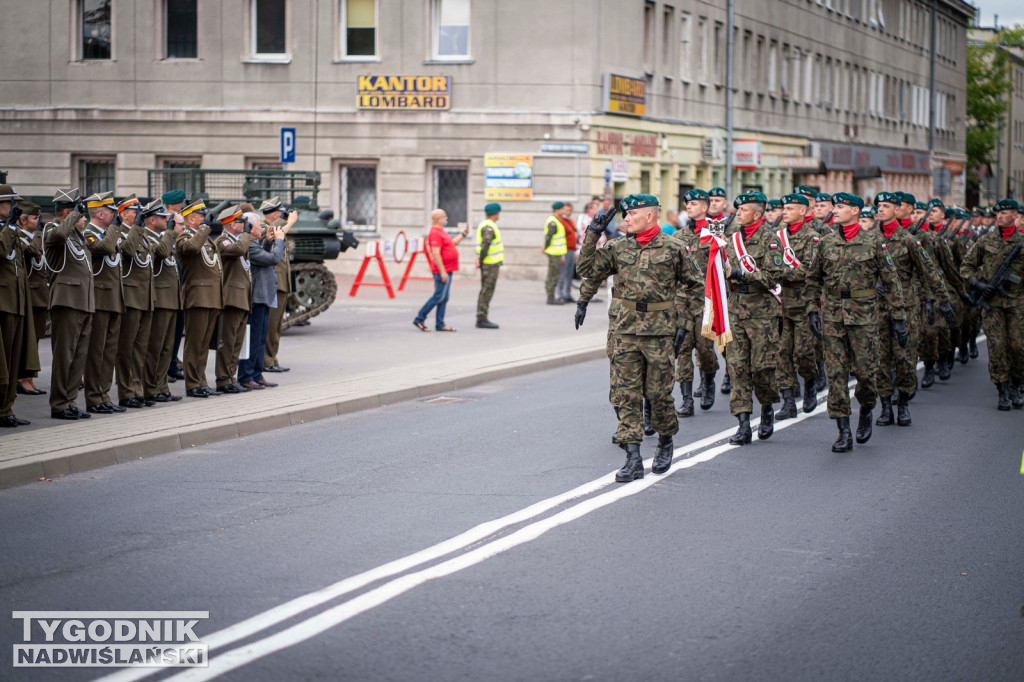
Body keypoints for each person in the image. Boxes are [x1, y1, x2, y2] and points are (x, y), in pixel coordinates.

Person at [577, 194, 697, 481]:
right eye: (625, 214)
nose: (626, 219)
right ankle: (632, 457)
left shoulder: (674, 247)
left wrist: (684, 321)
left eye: (631, 214)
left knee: (657, 395)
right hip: (625, 329)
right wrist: (593, 233)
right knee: (625, 394)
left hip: (659, 331)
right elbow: (586, 270)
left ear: (650, 216)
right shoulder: (618, 247)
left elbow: (694, 285)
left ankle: (666, 440)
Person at [805, 193, 906, 452]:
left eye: (840, 207)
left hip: (864, 317)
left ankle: (866, 410)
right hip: (833, 317)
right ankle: (843, 431)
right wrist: (813, 311)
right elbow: (813, 280)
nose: (835, 210)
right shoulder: (826, 243)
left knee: (865, 374)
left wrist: (898, 318)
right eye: (834, 206)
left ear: (856, 211)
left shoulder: (874, 243)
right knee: (836, 374)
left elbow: (892, 282)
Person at [872, 192, 950, 427]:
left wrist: (942, 299)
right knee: (880, 359)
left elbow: (929, 270)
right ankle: (885, 406)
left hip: (905, 307)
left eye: (887, 206)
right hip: (876, 308)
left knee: (905, 357)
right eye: (879, 206)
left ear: (897, 210)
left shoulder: (909, 240)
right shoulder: (869, 239)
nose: (881, 210)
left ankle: (903, 402)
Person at [719, 192, 785, 444]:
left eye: (743, 210)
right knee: (737, 367)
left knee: (762, 368)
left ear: (757, 214)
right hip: (736, 308)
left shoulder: (771, 240)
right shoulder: (731, 238)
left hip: (762, 311)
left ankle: (767, 407)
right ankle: (743, 423)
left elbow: (773, 277)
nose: (738, 213)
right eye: (737, 210)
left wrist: (740, 274)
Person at [960, 198, 1024, 410]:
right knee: (997, 347)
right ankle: (1003, 390)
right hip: (992, 305)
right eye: (998, 213)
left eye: (1005, 213)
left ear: (1015, 215)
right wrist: (978, 284)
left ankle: (1016, 384)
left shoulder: (1021, 242)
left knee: (1018, 347)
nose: (999, 216)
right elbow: (966, 267)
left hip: (1017, 303)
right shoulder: (986, 241)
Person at [82, 192, 137, 415]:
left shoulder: (111, 232)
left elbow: (127, 251)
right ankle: (94, 397)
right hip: (101, 299)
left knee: (109, 351)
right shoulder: (89, 233)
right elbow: (103, 249)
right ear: (101, 213)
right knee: (97, 351)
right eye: (113, 212)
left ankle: (104, 394)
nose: (116, 216)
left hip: (115, 298)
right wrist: (116, 229)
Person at [43, 190, 95, 420]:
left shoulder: (76, 235)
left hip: (84, 301)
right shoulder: (52, 229)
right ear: (67, 212)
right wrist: (73, 216)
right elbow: (57, 238)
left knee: (78, 356)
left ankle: (70, 400)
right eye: (80, 213)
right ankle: (59, 404)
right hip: (66, 301)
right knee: (64, 356)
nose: (84, 218)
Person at [774, 193, 823, 418]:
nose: (785, 212)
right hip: (781, 304)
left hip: (804, 304)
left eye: (790, 209)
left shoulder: (812, 238)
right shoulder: (777, 237)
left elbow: (808, 272)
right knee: (782, 354)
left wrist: (780, 273)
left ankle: (810, 384)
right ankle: (788, 401)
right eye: (784, 209)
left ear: (803, 211)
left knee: (804, 352)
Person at [673, 189, 721, 415]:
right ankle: (686, 399)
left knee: (704, 349)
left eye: (693, 203)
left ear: (705, 207)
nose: (689, 207)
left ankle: (709, 379)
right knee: (683, 348)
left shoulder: (715, 234)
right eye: (687, 204)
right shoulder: (679, 236)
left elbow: (723, 267)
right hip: (682, 301)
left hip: (707, 301)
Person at [0, 186, 39, 427]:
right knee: (2, 360)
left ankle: (6, 409)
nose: (14, 207)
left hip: (16, 301)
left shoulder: (10, 229)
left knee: (14, 359)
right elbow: (2, 251)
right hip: (3, 302)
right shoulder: (7, 229)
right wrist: (11, 227)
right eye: (10, 203)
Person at [177, 196, 223, 398]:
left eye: (205, 215)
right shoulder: (185, 236)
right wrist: (205, 229)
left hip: (211, 296)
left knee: (204, 343)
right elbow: (191, 249)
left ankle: (201, 380)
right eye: (201, 215)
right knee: (195, 343)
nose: (205, 218)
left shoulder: (203, 236)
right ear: (189, 219)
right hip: (197, 296)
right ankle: (192, 384)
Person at [113, 194, 155, 409]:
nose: (137, 215)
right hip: (130, 298)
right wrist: (137, 229)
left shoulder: (142, 234)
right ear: (122, 215)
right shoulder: (119, 233)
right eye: (133, 212)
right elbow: (129, 252)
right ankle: (125, 391)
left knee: (140, 347)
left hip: (145, 297)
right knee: (126, 347)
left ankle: (137, 389)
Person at [237, 213, 287, 390]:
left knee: (260, 339)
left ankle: (257, 374)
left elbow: (264, 255)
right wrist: (279, 241)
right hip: (256, 298)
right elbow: (272, 259)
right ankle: (245, 376)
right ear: (250, 228)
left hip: (263, 297)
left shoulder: (254, 245)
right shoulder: (249, 246)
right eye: (259, 226)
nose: (261, 228)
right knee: (252, 339)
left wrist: (267, 241)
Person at [141, 199, 183, 403]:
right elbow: (163, 253)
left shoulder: (162, 236)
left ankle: (161, 386)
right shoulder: (148, 237)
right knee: (155, 347)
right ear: (151, 220)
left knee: (167, 348)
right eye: (163, 217)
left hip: (171, 298)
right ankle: (150, 387)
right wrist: (170, 233)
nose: (168, 220)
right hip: (159, 297)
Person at [213, 206, 255, 394]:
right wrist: (247, 233)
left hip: (242, 296)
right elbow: (238, 250)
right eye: (240, 222)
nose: (243, 225)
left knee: (237, 341)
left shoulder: (238, 240)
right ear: (231, 224)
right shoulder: (223, 241)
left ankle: (231, 376)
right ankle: (223, 379)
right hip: (231, 297)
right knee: (228, 341)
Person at [413, 209, 468, 331]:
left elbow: (452, 244)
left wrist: (462, 235)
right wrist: (442, 271)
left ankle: (440, 323)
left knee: (444, 297)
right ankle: (419, 319)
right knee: (438, 296)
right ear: (438, 219)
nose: (446, 218)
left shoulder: (441, 231)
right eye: (444, 216)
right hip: (442, 270)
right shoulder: (435, 233)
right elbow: (436, 253)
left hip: (448, 269)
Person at [260, 197, 296, 372]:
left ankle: (272, 358)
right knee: (270, 325)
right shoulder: (264, 228)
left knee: (276, 325)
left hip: (281, 283)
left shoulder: (277, 228)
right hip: (273, 283)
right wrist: (289, 221)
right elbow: (275, 232)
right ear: (274, 214)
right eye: (280, 213)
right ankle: (266, 360)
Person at [16, 200, 48, 396]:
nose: (38, 222)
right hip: (28, 296)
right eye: (35, 218)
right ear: (22, 219)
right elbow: (34, 251)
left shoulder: (34, 237)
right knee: (26, 341)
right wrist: (37, 234)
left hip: (39, 296)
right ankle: (22, 378)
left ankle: (29, 378)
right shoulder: (21, 237)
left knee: (35, 340)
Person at [164, 189, 188, 384]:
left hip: (178, 292)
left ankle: (171, 365)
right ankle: (165, 369)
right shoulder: (166, 237)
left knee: (176, 332)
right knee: (165, 336)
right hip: (166, 295)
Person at [474, 202, 503, 329]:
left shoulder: (487, 225)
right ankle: (481, 318)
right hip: (489, 264)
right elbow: (485, 244)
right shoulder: (489, 227)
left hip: (489, 263)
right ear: (495, 214)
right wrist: (481, 260)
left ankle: (482, 317)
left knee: (486, 290)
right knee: (487, 290)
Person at [543, 202, 568, 304]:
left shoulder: (557, 221)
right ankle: (550, 297)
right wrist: (546, 248)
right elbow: (548, 237)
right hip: (554, 253)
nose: (564, 211)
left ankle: (551, 296)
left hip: (557, 253)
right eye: (562, 209)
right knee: (553, 275)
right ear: (557, 210)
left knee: (554, 274)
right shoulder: (553, 222)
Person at [555, 203, 578, 303]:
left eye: (570, 210)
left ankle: (567, 294)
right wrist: (561, 254)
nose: (568, 212)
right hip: (564, 250)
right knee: (562, 274)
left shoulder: (571, 221)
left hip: (572, 250)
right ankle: (560, 294)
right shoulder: (560, 221)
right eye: (566, 210)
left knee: (569, 274)